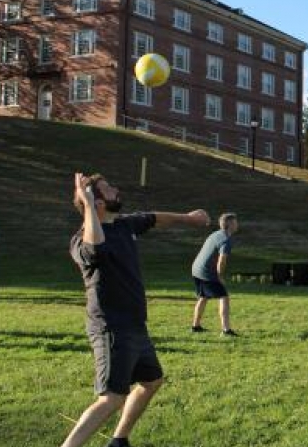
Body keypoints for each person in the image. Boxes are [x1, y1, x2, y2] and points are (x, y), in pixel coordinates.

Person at [63, 173, 210, 447]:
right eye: (108, 190)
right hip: (111, 328)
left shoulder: (124, 224)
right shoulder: (81, 239)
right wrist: (86, 200)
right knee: (112, 398)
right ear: (96, 202)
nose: (116, 190)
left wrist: (187, 218)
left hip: (135, 326)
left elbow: (153, 217)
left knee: (152, 381)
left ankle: (119, 440)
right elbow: (94, 249)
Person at [191, 213, 240, 335]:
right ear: (229, 225)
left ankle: (196, 326)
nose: (237, 224)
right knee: (224, 297)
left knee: (203, 297)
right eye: (235, 222)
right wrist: (219, 277)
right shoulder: (226, 240)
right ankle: (226, 330)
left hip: (196, 269)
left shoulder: (216, 234)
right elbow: (221, 261)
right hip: (207, 272)